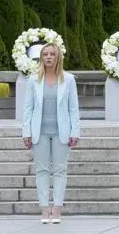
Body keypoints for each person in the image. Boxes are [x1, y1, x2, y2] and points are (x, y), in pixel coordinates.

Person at [22, 43, 81, 223]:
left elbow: (73, 108)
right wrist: (26, 132)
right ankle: (44, 210)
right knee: (42, 170)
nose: (48, 57)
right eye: (45, 54)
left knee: (60, 170)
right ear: (41, 58)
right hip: (39, 131)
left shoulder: (69, 79)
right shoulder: (33, 80)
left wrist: (75, 131)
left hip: (61, 132)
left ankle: (56, 210)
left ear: (58, 58)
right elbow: (28, 108)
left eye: (52, 54)